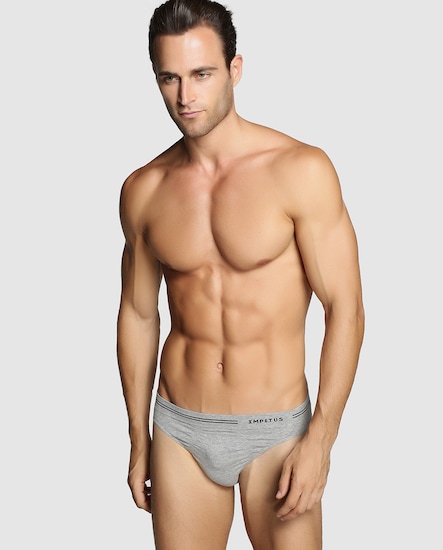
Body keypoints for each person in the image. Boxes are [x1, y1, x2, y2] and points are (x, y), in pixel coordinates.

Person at [117, 0, 364, 548]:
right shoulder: (144, 189)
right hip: (180, 427)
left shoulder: (300, 170)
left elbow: (345, 307)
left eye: (202, 74)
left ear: (235, 69)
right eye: (170, 78)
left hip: (277, 430)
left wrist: (321, 438)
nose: (186, 96)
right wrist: (137, 437)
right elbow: (138, 314)